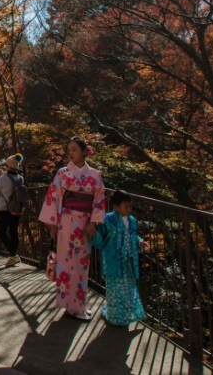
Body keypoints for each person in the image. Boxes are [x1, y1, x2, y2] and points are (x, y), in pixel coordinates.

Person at [38, 136, 106, 321]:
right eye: (69, 150)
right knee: (66, 263)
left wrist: (94, 222)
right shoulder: (63, 173)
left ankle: (77, 305)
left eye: (74, 149)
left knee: (81, 263)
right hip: (66, 222)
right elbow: (54, 198)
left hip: (84, 224)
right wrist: (52, 224)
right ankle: (72, 306)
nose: (71, 153)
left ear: (85, 151)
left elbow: (99, 199)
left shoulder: (95, 175)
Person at [92, 191, 149, 326]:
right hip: (113, 259)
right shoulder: (107, 219)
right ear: (116, 207)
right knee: (115, 289)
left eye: (130, 206)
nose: (129, 209)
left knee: (128, 288)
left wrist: (140, 242)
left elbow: (132, 236)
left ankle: (125, 316)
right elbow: (100, 237)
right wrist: (93, 232)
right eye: (125, 206)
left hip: (128, 260)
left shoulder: (132, 221)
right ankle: (114, 317)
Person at [0, 153, 24, 267]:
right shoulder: (20, 178)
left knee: (1, 231)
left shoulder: (4, 178)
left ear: (9, 166)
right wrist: (2, 175)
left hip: (5, 208)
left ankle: (13, 254)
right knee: (13, 231)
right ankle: (13, 256)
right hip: (16, 208)